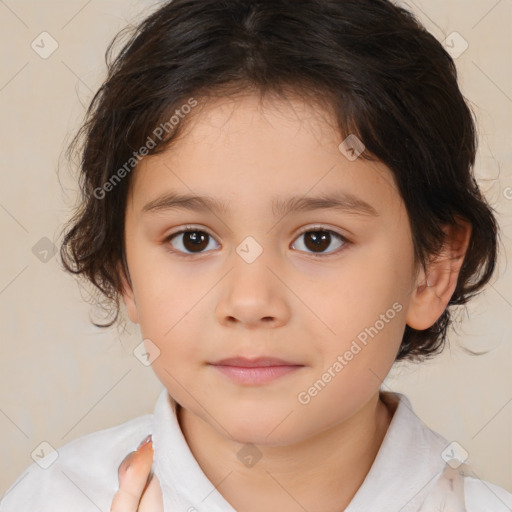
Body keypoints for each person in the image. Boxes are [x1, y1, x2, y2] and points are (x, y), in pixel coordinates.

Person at [1, 0, 511, 510]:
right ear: (124, 270)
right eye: (193, 239)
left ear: (433, 270)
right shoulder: (51, 498)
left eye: (318, 239)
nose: (250, 302)